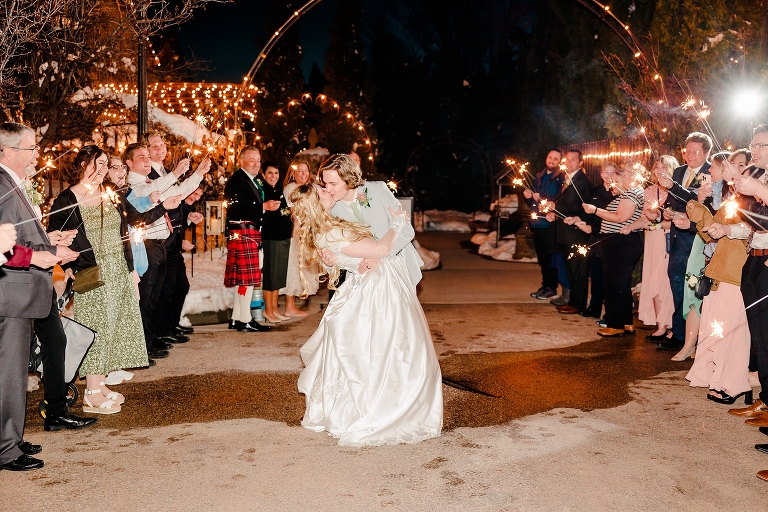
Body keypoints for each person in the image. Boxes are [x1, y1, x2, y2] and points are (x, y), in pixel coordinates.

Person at [291, 184, 442, 446]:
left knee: (382, 352)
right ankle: (383, 408)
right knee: (391, 352)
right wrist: (396, 223)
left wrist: (333, 260)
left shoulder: (328, 225)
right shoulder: (332, 230)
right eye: (322, 190)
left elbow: (343, 255)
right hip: (376, 291)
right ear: (317, 202)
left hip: (368, 283)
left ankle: (357, 407)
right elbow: (381, 249)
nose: (328, 191)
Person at [48, 145, 182, 414]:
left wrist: (162, 207)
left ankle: (101, 384)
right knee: (95, 328)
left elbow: (135, 221)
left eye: (105, 163)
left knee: (113, 326)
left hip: (118, 268)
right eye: (97, 163)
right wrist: (71, 264)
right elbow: (55, 235)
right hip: (92, 271)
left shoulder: (110, 192)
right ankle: (92, 393)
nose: (102, 169)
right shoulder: (67, 198)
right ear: (84, 163)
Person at [0, 122, 91, 471]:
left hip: (22, 293)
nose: (38, 153)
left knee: (14, 374)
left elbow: (18, 237)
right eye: (31, 148)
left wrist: (50, 241)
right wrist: (39, 255)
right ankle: (6, 450)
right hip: (12, 294)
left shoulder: (13, 183)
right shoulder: (3, 184)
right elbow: (6, 247)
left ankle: (12, 438)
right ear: (9, 151)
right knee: (9, 375)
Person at [125, 142, 209, 358]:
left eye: (147, 157)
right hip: (147, 245)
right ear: (129, 163)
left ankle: (150, 340)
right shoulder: (133, 185)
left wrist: (198, 174)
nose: (146, 161)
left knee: (154, 298)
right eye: (141, 157)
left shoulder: (152, 182)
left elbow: (179, 192)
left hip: (160, 244)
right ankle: (141, 346)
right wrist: (174, 173)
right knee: (145, 298)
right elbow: (151, 192)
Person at [685, 151, 751, 400]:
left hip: (736, 271)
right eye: (732, 164)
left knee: (733, 330)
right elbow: (711, 235)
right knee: (716, 328)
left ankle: (732, 383)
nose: (733, 169)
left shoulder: (752, 200)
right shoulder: (731, 200)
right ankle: (714, 376)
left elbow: (748, 231)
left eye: (741, 165)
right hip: (718, 269)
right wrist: (698, 209)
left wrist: (723, 228)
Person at [322, 154, 423, 290]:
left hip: (399, 266)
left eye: (333, 184)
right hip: (362, 276)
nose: (328, 189)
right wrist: (328, 264)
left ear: (348, 179)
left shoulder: (377, 190)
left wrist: (380, 257)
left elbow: (406, 230)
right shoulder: (331, 208)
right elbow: (337, 249)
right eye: (325, 183)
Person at [658, 132, 712, 351]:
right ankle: (679, 333)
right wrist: (668, 212)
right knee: (676, 282)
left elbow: (701, 203)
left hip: (698, 238)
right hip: (677, 238)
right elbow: (672, 200)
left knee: (696, 286)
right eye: (687, 150)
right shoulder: (679, 171)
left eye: (695, 151)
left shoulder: (711, 173)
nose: (689, 155)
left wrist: (687, 218)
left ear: (706, 152)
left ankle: (698, 336)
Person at [145, 132, 198, 345]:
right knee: (164, 290)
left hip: (173, 238)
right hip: (161, 240)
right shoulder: (151, 175)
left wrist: (188, 215)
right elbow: (166, 200)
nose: (161, 149)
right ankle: (160, 331)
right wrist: (178, 173)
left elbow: (177, 200)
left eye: (162, 144)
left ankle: (168, 325)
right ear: (146, 151)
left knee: (177, 287)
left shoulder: (163, 171)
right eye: (154, 146)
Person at [579, 162, 644, 336]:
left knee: (614, 283)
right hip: (619, 241)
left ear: (628, 177)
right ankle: (626, 322)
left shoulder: (632, 193)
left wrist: (595, 210)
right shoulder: (629, 194)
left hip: (620, 242)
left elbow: (620, 217)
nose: (614, 183)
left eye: (617, 179)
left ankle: (615, 325)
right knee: (621, 282)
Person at [224, 146, 273, 333]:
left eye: (258, 160)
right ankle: (245, 320)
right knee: (247, 279)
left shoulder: (251, 180)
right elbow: (234, 210)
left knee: (243, 279)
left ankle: (237, 318)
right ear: (241, 161)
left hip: (248, 233)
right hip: (243, 232)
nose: (256, 164)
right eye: (252, 160)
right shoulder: (237, 181)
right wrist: (263, 207)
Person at [633, 156, 677, 342]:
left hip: (668, 239)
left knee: (665, 281)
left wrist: (660, 220)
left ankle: (673, 325)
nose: (659, 170)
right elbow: (645, 218)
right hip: (652, 239)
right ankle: (660, 325)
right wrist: (635, 224)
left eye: (663, 167)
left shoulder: (677, 191)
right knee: (653, 280)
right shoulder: (649, 191)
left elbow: (678, 219)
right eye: (656, 167)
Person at [548, 149, 592, 315]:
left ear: (580, 163)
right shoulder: (568, 179)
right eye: (567, 159)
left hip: (576, 233)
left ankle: (578, 304)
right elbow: (567, 204)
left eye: (573, 160)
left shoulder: (582, 181)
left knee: (578, 270)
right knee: (571, 270)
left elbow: (581, 206)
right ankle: (573, 301)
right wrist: (554, 212)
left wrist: (556, 206)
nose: (569, 162)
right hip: (566, 232)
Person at [524, 149, 564, 300]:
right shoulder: (540, 176)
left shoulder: (560, 178)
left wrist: (544, 200)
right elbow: (533, 198)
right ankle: (546, 285)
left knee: (550, 257)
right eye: (550, 157)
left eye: (555, 158)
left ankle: (551, 287)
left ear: (559, 161)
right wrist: (528, 196)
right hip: (538, 222)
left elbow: (559, 198)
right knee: (542, 258)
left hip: (549, 223)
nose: (552, 160)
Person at [280, 158, 317, 316]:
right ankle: (289, 306)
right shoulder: (291, 188)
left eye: (306, 171)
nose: (303, 174)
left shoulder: (309, 188)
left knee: (303, 267)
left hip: (308, 232)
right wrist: (301, 227)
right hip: (297, 233)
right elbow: (294, 212)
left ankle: (293, 305)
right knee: (294, 267)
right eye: (299, 171)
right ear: (293, 173)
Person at [259, 162, 292, 322]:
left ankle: (275, 307)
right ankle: (268, 309)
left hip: (283, 236)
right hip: (270, 237)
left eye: (276, 173)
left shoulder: (278, 189)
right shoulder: (263, 190)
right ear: (264, 174)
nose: (273, 176)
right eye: (270, 173)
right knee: (271, 274)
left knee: (279, 274)